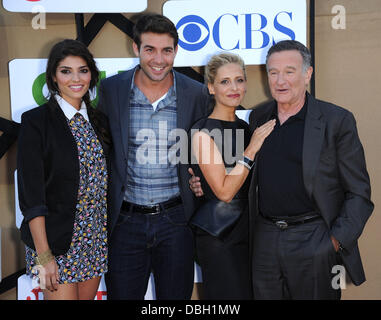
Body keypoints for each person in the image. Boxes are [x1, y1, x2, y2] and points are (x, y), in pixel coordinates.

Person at [190, 40, 373, 300]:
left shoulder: (336, 121)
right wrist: (200, 183)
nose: (280, 80)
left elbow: (359, 193)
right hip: (263, 238)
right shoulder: (259, 118)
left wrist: (333, 242)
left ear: (307, 74)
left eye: (289, 71)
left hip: (313, 237)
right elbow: (235, 173)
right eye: (273, 72)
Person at [97, 13, 210, 300]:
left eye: (166, 50)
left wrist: (200, 180)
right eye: (150, 49)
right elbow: (103, 149)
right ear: (136, 48)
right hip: (125, 222)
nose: (158, 59)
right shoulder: (112, 90)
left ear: (176, 51)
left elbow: (203, 150)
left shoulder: (195, 93)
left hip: (176, 221)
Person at [18, 39, 110, 300]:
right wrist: (44, 256)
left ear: (92, 74)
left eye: (83, 70)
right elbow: (32, 197)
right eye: (65, 71)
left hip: (94, 238)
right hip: (54, 242)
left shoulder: (99, 122)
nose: (76, 78)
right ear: (53, 77)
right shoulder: (36, 122)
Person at [189, 53, 275, 299]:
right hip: (220, 236)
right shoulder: (203, 132)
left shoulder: (246, 128)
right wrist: (251, 149)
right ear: (211, 87)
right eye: (225, 81)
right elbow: (225, 192)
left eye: (239, 80)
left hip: (250, 233)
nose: (234, 87)